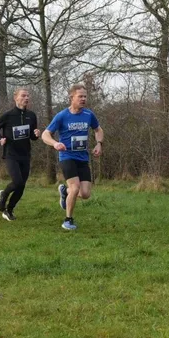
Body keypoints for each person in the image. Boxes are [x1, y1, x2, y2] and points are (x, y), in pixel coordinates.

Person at [42, 83, 104, 230]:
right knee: (75, 187)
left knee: (85, 194)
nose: (83, 99)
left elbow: (98, 129)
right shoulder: (62, 115)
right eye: (80, 96)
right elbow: (45, 134)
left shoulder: (89, 115)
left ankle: (65, 191)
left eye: (85, 96)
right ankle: (68, 220)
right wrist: (55, 143)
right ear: (72, 97)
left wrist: (99, 143)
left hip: (83, 158)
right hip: (67, 156)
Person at [0, 88, 40, 221]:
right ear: (16, 98)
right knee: (17, 181)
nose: (26, 98)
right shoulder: (8, 115)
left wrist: (36, 135)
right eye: (23, 96)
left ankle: (9, 210)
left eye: (28, 96)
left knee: (22, 185)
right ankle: (4, 194)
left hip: (25, 154)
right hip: (11, 154)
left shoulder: (31, 115)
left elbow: (32, 136)